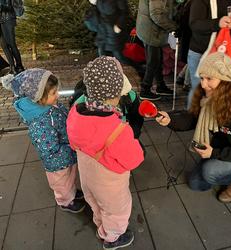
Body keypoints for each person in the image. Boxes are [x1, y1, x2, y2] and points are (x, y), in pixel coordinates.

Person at [156, 52, 231, 203]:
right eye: (202, 78)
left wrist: (215, 153)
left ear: (226, 82)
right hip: (223, 146)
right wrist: (170, 120)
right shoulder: (210, 97)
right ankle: (221, 169)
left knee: (209, 171)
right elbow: (193, 118)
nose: (203, 84)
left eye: (209, 78)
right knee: (196, 183)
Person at [66, 56, 144, 249]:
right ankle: (112, 238)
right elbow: (134, 159)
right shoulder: (118, 129)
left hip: (87, 176)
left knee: (95, 203)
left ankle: (100, 225)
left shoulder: (75, 112)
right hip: (109, 184)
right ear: (116, 94)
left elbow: (73, 142)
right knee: (117, 211)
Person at [2, 69, 85, 212]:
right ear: (37, 97)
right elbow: (50, 151)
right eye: (53, 93)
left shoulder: (47, 105)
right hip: (58, 161)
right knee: (61, 182)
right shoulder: (40, 124)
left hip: (66, 151)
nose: (58, 95)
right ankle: (65, 201)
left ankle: (70, 192)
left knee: (69, 178)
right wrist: (71, 148)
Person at [187, 0, 231, 108]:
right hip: (201, 53)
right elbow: (195, 24)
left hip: (228, 53)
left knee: (226, 92)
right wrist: (217, 23)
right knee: (199, 91)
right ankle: (195, 121)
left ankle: (218, 121)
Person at [69, 75, 144, 139]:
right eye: (119, 93)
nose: (124, 94)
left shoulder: (129, 96)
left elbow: (137, 121)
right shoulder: (79, 108)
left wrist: (131, 135)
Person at [136, 0, 178, 100]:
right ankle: (145, 90)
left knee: (157, 60)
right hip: (151, 31)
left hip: (154, 31)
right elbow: (156, 15)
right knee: (153, 61)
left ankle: (160, 86)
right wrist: (174, 27)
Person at [0, 0, 24, 74]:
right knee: (4, 46)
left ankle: (19, 66)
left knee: (11, 44)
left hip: (8, 18)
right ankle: (12, 67)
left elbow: (18, 10)